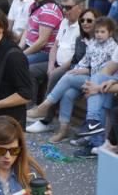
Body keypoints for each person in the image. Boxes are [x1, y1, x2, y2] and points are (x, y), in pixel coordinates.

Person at [29, 16, 116, 144]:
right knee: (68, 92)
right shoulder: (93, 44)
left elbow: (108, 70)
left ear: (110, 33)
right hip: (89, 77)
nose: (99, 35)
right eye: (97, 32)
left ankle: (45, 106)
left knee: (68, 78)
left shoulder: (113, 47)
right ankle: (63, 130)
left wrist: (86, 72)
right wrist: (78, 69)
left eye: (102, 32)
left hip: (100, 81)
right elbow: (85, 61)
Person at [18, 0, 63, 65]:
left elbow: (42, 42)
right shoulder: (35, 5)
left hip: (43, 53)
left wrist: (22, 55)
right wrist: (19, 48)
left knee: (16, 62)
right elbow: (28, 29)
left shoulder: (49, 10)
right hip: (31, 48)